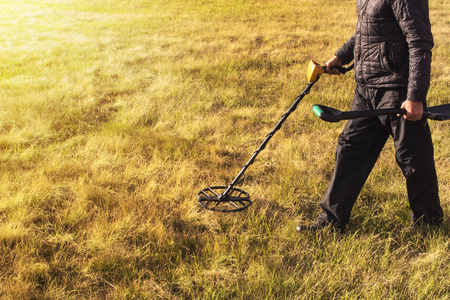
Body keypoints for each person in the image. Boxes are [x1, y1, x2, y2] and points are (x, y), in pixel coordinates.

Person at [298, 0, 444, 232]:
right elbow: (367, 31)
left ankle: (428, 222)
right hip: (366, 89)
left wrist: (415, 96)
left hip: (398, 89)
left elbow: (420, 42)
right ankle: (331, 221)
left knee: (413, 158)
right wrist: (341, 56)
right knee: (350, 149)